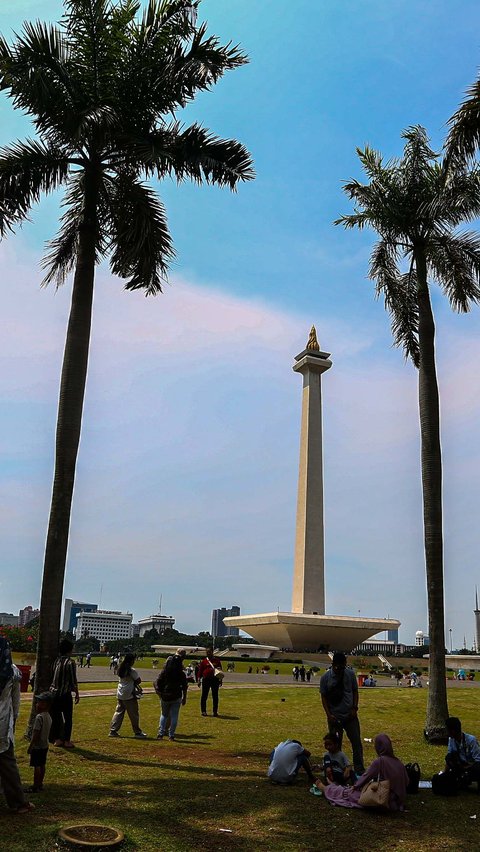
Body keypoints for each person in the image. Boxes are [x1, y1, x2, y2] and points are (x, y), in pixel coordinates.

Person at [314, 733, 408, 811]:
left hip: (382, 799)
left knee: (348, 793)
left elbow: (366, 776)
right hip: (397, 802)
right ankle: (332, 786)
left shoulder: (380, 761)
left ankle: (327, 789)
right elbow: (407, 781)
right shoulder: (398, 762)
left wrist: (355, 786)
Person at [0, 637, 34, 813]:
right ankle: (18, 803)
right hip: (2, 724)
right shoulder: (11, 673)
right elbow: (16, 703)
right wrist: (13, 723)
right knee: (7, 762)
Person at [319, 651, 365, 775]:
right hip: (334, 717)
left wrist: (354, 708)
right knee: (334, 745)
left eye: (342, 666)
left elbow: (355, 692)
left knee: (356, 743)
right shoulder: (326, 678)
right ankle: (335, 768)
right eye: (337, 667)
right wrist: (329, 715)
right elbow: (323, 697)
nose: (339, 669)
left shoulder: (349, 674)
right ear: (333, 664)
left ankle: (359, 769)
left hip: (350, 716)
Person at [49, 638, 80, 748]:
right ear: (69, 650)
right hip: (65, 694)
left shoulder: (56, 661)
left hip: (53, 693)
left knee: (56, 717)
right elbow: (73, 680)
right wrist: (77, 693)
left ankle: (57, 739)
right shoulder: (70, 662)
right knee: (68, 718)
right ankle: (66, 740)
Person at [109, 652, 146, 738]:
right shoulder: (131, 670)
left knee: (118, 712)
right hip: (129, 694)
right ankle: (137, 732)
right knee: (134, 714)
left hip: (120, 692)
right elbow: (138, 680)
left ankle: (113, 730)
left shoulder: (120, 668)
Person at [155, 649, 188, 741]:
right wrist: (184, 697)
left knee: (164, 715)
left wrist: (159, 691)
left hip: (165, 694)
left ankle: (161, 733)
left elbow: (158, 681)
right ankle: (171, 734)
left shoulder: (165, 672)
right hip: (176, 695)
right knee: (174, 715)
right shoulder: (181, 674)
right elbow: (185, 686)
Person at [27, 691, 53, 792]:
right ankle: (40, 784)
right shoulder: (48, 716)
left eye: (39, 702)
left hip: (37, 746)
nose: (36, 704)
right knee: (42, 764)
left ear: (44, 704)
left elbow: (36, 734)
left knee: (36, 765)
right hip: (45, 745)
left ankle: (35, 785)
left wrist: (31, 746)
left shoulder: (39, 717)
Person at [445, 716, 480, 789]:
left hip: (471, 766)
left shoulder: (471, 740)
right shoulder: (451, 739)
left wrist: (466, 768)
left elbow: (478, 760)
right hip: (461, 765)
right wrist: (445, 773)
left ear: (453, 731)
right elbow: (450, 756)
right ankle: (461, 778)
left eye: (447, 730)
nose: (446, 732)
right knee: (449, 757)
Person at [197, 647, 223, 717]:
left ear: (212, 652)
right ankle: (203, 711)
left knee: (215, 696)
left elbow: (220, 671)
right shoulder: (204, 661)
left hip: (215, 680)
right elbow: (200, 671)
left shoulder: (217, 661)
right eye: (207, 652)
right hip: (206, 680)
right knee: (204, 696)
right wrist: (199, 680)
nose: (208, 653)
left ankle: (215, 711)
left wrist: (221, 680)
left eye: (209, 652)